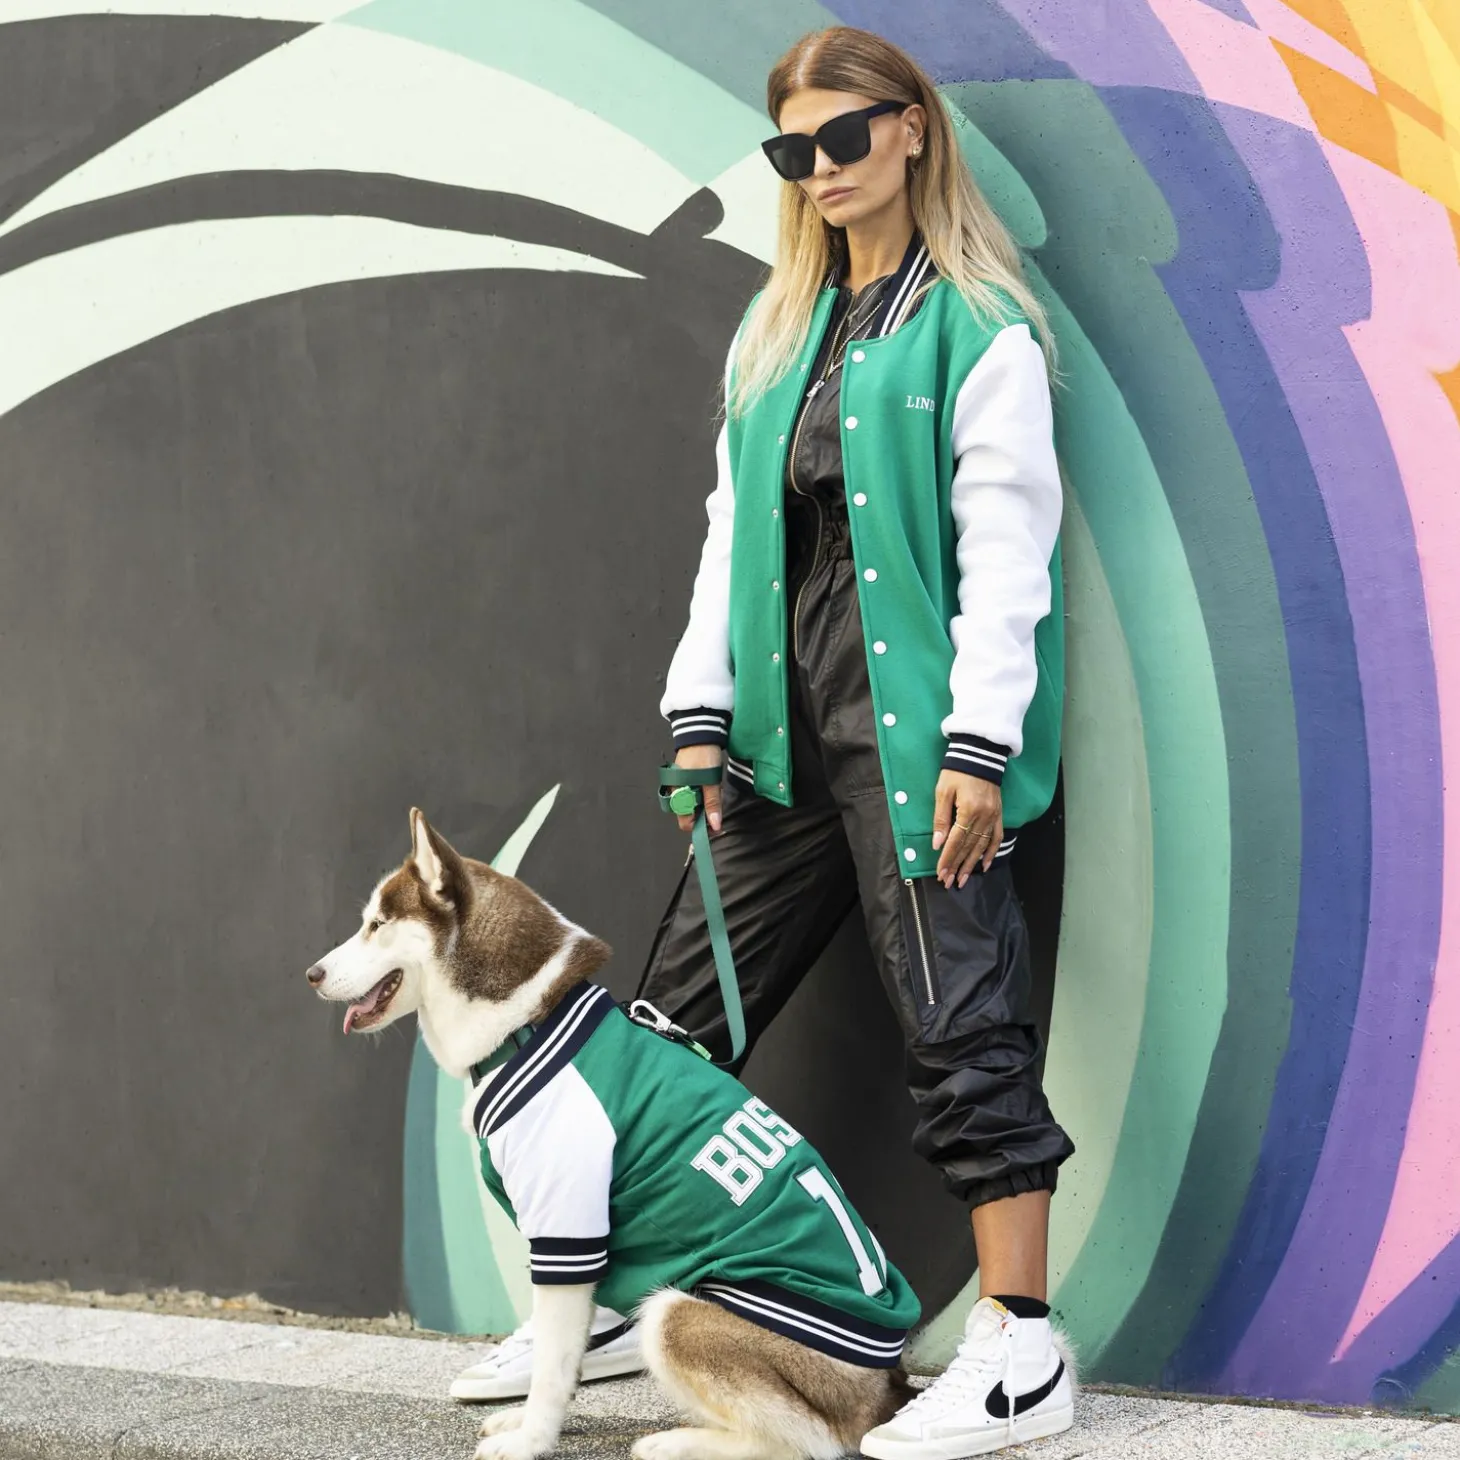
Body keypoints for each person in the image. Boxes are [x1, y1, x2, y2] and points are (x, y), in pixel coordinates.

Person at [456, 25, 1075, 1456]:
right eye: (794, 149)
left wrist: (978, 745)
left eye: (844, 136)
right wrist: (703, 716)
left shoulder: (977, 330)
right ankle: (604, 1302)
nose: (821, 169)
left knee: (964, 1025)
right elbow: (731, 540)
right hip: (782, 739)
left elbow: (1010, 558)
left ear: (912, 129)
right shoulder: (779, 329)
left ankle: (1023, 1348)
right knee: (671, 1024)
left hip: (918, 744)